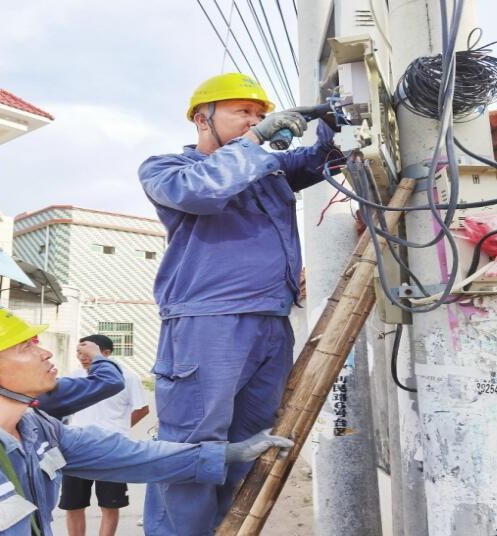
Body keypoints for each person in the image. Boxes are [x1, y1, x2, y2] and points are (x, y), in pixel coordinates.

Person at [138, 72, 339, 535]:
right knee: (192, 444)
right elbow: (204, 191)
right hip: (209, 319)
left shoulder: (267, 171)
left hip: (271, 321)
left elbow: (325, 159)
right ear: (201, 117)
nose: (256, 119)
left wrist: (330, 119)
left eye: (260, 114)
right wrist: (256, 140)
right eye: (242, 111)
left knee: (248, 445)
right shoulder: (166, 168)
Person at [0, 299, 293, 536]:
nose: (45, 351)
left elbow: (131, 455)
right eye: (25, 347)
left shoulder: (36, 428)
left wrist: (230, 453)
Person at [59, 334, 149, 536]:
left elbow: (142, 409)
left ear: (106, 354)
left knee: (110, 504)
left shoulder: (127, 377)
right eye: (79, 353)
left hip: (112, 449)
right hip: (77, 447)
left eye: (87, 353)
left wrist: (120, 429)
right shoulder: (74, 377)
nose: (82, 357)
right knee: (73, 504)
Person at [36, 338, 125, 419]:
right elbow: (111, 380)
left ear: (106, 353)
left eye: (87, 353)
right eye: (28, 347)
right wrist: (96, 356)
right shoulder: (47, 391)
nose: (47, 354)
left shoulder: (129, 377)